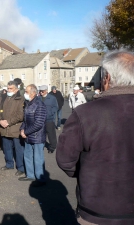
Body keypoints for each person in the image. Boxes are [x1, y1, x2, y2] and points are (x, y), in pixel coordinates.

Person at [56, 49, 134, 225]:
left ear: (106, 78)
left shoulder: (85, 113)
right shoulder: (85, 113)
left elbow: (65, 159)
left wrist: (86, 174)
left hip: (99, 210)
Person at [0, 81, 25, 176]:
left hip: (15, 128)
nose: (8, 90)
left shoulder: (21, 99)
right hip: (4, 128)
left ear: (16, 90)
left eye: (11, 88)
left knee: (18, 149)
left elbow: (21, 115)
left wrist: (8, 122)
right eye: (8, 88)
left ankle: (21, 167)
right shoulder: (2, 98)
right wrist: (0, 121)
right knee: (7, 148)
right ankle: (9, 164)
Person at [19, 84, 47, 186]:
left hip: (37, 137)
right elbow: (25, 120)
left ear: (33, 93)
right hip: (27, 136)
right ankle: (30, 175)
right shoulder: (28, 103)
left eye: (26, 92)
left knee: (38, 158)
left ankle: (40, 178)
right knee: (27, 156)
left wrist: (25, 132)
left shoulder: (39, 105)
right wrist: (22, 129)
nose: (25, 94)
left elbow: (38, 124)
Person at [38, 85, 58, 154]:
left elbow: (55, 107)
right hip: (40, 120)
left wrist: (51, 113)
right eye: (40, 91)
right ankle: (41, 145)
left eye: (42, 91)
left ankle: (52, 147)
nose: (41, 93)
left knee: (51, 134)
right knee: (41, 134)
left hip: (49, 119)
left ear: (46, 91)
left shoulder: (52, 98)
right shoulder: (38, 98)